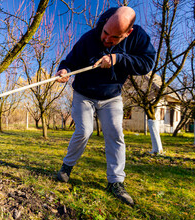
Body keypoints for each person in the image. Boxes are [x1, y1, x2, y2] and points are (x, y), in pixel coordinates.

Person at [55, 6, 156, 206]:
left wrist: (118, 59)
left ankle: (116, 182)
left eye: (114, 37)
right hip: (83, 94)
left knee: (115, 134)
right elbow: (70, 61)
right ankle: (66, 167)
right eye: (106, 32)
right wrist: (64, 70)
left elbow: (146, 63)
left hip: (111, 96)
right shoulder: (90, 38)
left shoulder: (138, 38)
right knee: (84, 131)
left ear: (128, 33)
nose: (107, 39)